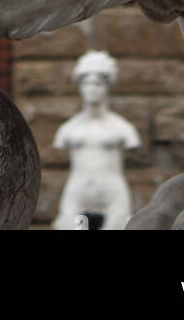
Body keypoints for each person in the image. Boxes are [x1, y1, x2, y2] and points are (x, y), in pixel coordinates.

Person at [52, 50, 140, 231]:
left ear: (107, 87)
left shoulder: (123, 128)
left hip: (113, 195)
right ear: (79, 86)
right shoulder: (69, 129)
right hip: (77, 194)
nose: (92, 89)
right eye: (87, 83)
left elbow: (131, 141)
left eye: (98, 84)